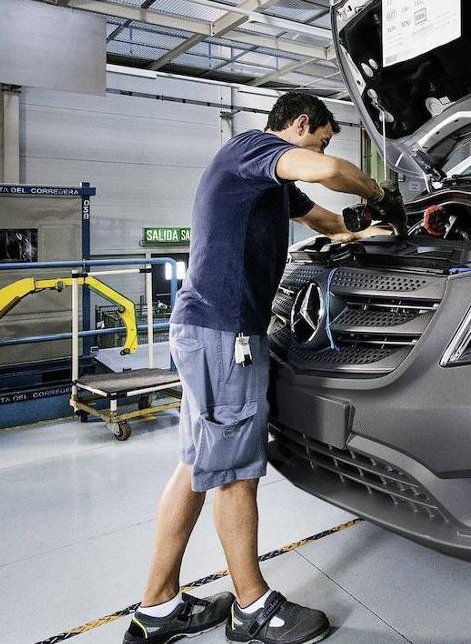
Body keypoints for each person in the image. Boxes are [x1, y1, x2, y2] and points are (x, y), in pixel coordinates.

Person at [124, 93, 396, 644]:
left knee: (196, 464)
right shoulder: (253, 150)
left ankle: (157, 608)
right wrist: (380, 192)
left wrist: (361, 232)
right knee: (235, 474)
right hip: (225, 336)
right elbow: (331, 172)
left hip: (207, 332)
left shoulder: (270, 185)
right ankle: (252, 609)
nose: (321, 147)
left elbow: (323, 219)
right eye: (319, 136)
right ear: (299, 125)